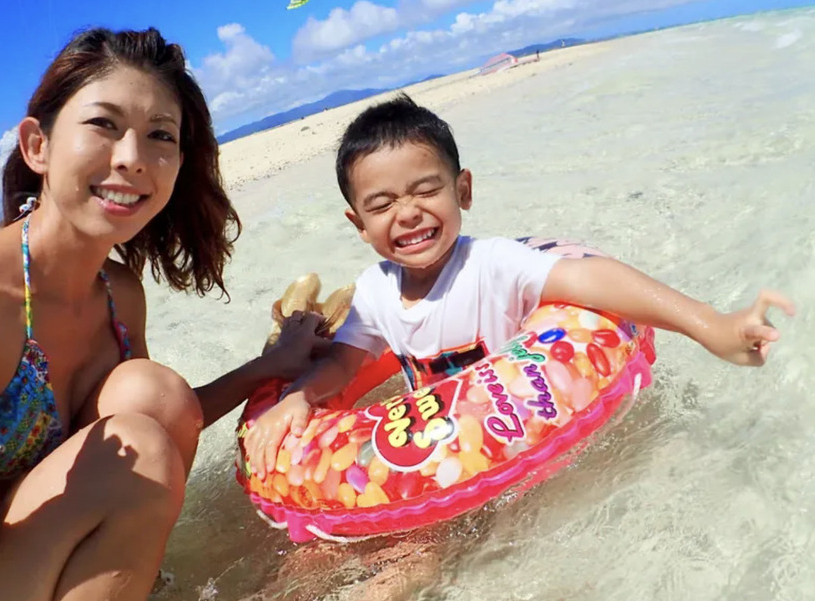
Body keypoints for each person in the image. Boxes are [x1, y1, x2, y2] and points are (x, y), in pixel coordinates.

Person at [0, 27, 325, 601]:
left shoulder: (119, 293)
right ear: (37, 146)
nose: (132, 157)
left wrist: (269, 368)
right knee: (138, 442)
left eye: (160, 135)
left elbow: (170, 421)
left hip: (53, 556)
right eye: (104, 124)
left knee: (154, 396)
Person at [244, 92, 795, 479]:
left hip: (522, 433)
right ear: (359, 225)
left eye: (426, 190)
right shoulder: (374, 291)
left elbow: (589, 278)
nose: (407, 213)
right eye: (382, 204)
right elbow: (345, 365)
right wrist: (300, 396)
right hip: (442, 452)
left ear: (463, 190)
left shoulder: (493, 264)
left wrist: (709, 324)